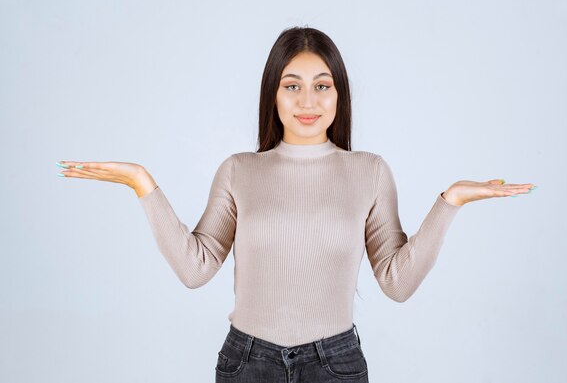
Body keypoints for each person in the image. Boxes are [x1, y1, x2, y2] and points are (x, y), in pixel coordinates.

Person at [56, 26, 535, 382]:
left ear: (339, 94)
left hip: (335, 364)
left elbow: (397, 281)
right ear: (274, 93)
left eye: (322, 85)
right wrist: (141, 183)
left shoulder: (368, 170)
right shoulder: (240, 170)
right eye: (292, 85)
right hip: (247, 362)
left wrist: (450, 202)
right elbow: (195, 268)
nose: (308, 99)